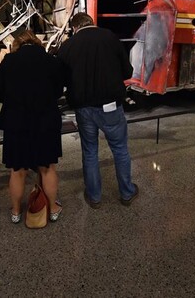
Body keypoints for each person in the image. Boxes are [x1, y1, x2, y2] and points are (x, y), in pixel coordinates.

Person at [57, 12, 139, 208]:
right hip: (110, 106)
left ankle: (94, 197)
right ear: (92, 23)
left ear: (74, 28)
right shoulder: (110, 37)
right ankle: (127, 193)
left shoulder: (68, 46)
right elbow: (128, 72)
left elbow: (61, 79)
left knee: (90, 151)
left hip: (84, 108)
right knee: (120, 149)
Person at [0, 28, 65, 224]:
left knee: (17, 170)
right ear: (38, 44)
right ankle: (53, 209)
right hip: (45, 122)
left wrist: (14, 100)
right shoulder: (51, 61)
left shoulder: (9, 61)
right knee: (47, 168)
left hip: (16, 123)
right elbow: (58, 91)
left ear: (18, 45)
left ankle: (16, 211)